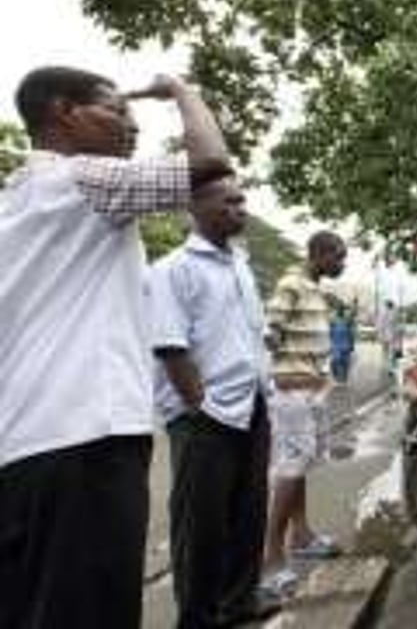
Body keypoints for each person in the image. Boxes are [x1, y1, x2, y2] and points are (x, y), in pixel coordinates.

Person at [0, 67, 232, 629]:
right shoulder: (83, 179)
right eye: (117, 110)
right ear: (64, 112)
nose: (132, 126)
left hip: (25, 448)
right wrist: (183, 92)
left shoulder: (17, 201)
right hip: (89, 438)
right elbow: (210, 163)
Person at [148, 177, 280, 628]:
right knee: (200, 526)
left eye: (243, 200)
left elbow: (250, 333)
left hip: (251, 405)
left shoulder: (239, 265)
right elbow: (169, 346)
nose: (241, 208)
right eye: (230, 201)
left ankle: (240, 601)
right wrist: (199, 407)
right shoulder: (172, 269)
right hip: (204, 416)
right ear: (195, 207)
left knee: (249, 512)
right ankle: (197, 618)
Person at [262, 231, 347, 594]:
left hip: (312, 390)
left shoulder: (315, 290)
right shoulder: (291, 284)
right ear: (320, 254)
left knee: (302, 467)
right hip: (293, 392)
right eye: (339, 257)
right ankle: (270, 557)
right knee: (290, 469)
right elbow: (268, 336)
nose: (342, 263)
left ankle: (302, 536)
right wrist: (285, 375)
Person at [329, 303, 356, 385]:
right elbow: (330, 333)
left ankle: (344, 378)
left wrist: (352, 344)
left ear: (343, 311)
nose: (339, 311)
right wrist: (330, 343)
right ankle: (336, 376)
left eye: (341, 309)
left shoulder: (347, 321)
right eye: (338, 309)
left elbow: (351, 333)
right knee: (335, 361)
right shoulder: (333, 320)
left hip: (345, 344)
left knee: (345, 362)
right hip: (336, 344)